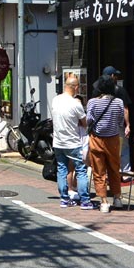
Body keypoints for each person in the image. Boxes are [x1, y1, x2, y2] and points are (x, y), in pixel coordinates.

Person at [50, 74, 93, 210]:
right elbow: (85, 123)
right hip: (73, 142)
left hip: (58, 142)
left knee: (61, 169)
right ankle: (85, 200)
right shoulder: (76, 103)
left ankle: (64, 199)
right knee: (81, 170)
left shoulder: (55, 100)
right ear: (76, 87)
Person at [87, 74, 127, 213]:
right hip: (113, 139)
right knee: (114, 169)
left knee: (99, 171)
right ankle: (117, 198)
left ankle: (104, 202)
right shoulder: (119, 102)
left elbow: (89, 121)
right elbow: (120, 121)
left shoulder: (92, 102)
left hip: (97, 139)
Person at [92, 66, 132, 172]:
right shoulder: (120, 90)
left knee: (104, 149)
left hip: (100, 126)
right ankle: (125, 172)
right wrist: (127, 124)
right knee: (123, 147)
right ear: (112, 76)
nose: (117, 78)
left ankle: (106, 171)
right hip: (117, 125)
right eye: (116, 75)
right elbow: (125, 109)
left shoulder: (97, 90)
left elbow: (92, 110)